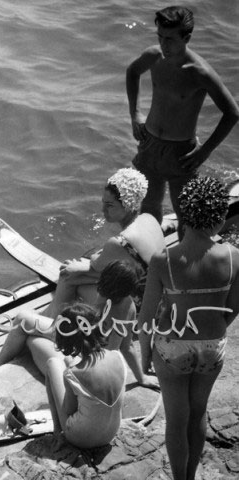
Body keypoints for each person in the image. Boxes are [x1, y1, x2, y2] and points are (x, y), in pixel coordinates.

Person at [137, 176, 239, 480]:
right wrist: (215, 327)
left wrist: (145, 357)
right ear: (220, 217)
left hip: (171, 348)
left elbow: (146, 318)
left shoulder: (164, 260)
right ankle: (191, 477)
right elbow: (233, 307)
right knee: (198, 413)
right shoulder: (234, 258)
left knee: (176, 419)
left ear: (184, 214)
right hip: (212, 346)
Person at [126, 6, 239, 238]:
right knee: (148, 208)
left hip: (181, 154)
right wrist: (134, 114)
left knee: (185, 215)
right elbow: (132, 72)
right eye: (159, 37)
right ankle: (151, 257)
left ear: (186, 38)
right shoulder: (154, 56)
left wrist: (205, 151)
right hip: (149, 143)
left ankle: (184, 263)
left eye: (169, 39)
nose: (163, 44)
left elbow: (232, 113)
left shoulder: (199, 72)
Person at [0, 260, 159, 390]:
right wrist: (141, 378)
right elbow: (126, 347)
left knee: (28, 333)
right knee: (25, 322)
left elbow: (87, 346)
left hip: (78, 367)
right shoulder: (128, 306)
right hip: (84, 355)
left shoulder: (105, 303)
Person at [44, 167, 165, 319]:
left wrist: (83, 264)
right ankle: (55, 317)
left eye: (109, 205)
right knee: (78, 273)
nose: (103, 210)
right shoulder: (150, 218)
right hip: (159, 298)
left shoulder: (121, 241)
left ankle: (53, 326)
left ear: (128, 205)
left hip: (138, 307)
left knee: (68, 275)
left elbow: (96, 264)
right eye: (103, 203)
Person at [46, 302, 126, 448]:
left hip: (81, 438)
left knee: (52, 363)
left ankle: (57, 432)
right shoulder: (118, 357)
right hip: (110, 433)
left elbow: (68, 410)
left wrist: (69, 371)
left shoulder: (72, 374)